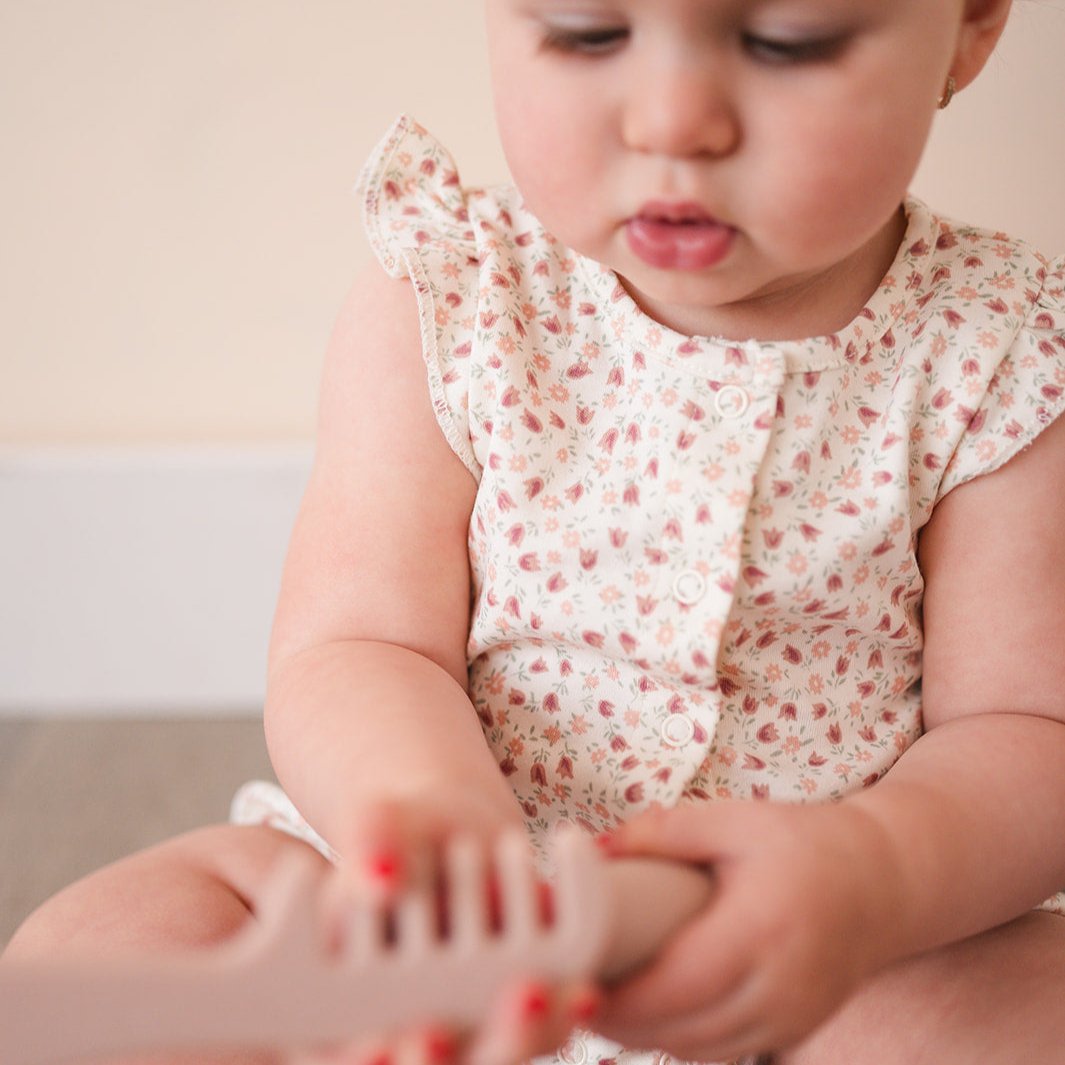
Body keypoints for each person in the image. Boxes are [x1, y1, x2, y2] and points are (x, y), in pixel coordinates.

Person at [5, 0, 1065, 1062]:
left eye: (787, 41)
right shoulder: (456, 294)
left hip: (808, 961)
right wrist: (429, 826)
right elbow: (360, 642)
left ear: (971, 25)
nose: (671, 123)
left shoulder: (996, 352)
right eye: (586, 32)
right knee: (101, 958)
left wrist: (872, 875)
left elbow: (1024, 733)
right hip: (431, 927)